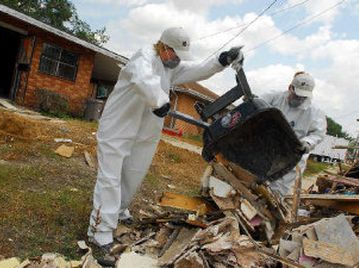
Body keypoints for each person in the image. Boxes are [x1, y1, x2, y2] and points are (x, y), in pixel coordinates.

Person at [87, 27, 244, 250]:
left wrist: (222, 60)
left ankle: (119, 210)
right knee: (110, 178)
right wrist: (160, 100)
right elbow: (143, 79)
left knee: (133, 175)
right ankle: (100, 232)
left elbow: (197, 69)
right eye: (176, 55)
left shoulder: (171, 66)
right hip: (118, 127)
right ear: (163, 46)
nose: (179, 60)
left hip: (145, 131)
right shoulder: (144, 56)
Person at [262, 71, 327, 197]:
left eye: (303, 97)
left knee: (274, 194)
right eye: (297, 95)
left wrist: (308, 142)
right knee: (251, 181)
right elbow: (255, 105)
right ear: (290, 88)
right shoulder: (273, 97)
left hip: (291, 158)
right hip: (265, 149)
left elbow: (319, 134)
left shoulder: (315, 112)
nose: (300, 99)